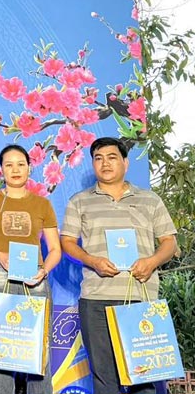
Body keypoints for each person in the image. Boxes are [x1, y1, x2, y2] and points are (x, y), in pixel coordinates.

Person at [60, 137, 177, 394]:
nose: (105, 163)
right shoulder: (79, 201)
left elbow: (169, 243)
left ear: (125, 162)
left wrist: (152, 261)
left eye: (112, 157)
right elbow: (67, 242)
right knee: (104, 379)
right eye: (98, 158)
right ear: (92, 165)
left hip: (141, 298)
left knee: (144, 377)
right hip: (95, 298)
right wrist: (92, 261)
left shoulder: (150, 200)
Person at [0, 144, 61, 394]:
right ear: (1, 169)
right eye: (9, 164)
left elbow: (55, 249)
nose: (15, 169)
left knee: (38, 349)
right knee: (0, 350)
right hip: (1, 275)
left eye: (21, 164)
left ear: (30, 168)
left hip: (35, 277)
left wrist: (44, 271)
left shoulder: (43, 204)